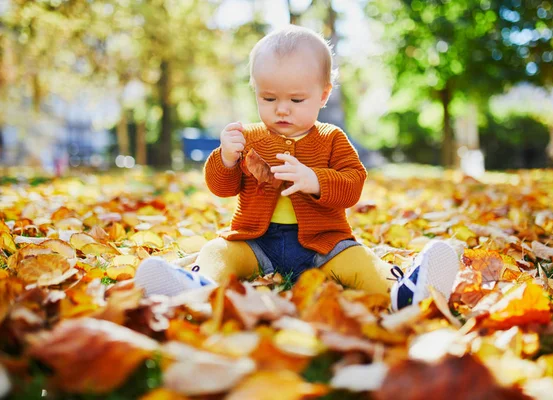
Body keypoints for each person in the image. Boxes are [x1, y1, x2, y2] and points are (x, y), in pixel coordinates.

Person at [134, 25, 459, 310]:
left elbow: (353, 184)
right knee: (218, 250)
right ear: (256, 92)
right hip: (255, 241)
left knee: (360, 261)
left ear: (323, 95)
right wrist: (226, 158)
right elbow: (222, 188)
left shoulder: (332, 139)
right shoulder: (248, 137)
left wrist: (315, 180)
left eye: (296, 100)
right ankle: (197, 286)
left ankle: (404, 291)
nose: (282, 110)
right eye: (269, 99)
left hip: (324, 244)